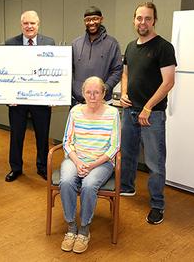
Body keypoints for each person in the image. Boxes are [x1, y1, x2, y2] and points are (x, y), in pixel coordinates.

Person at [120, 2, 176, 225]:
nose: (142, 22)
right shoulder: (130, 46)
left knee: (154, 162)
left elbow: (168, 82)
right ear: (134, 20)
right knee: (128, 154)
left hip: (152, 115)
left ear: (154, 21)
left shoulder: (164, 47)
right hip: (130, 111)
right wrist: (124, 93)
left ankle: (157, 205)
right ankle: (126, 187)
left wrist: (148, 107)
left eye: (147, 18)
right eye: (139, 18)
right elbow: (126, 74)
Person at [60, 76, 120, 254]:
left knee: (88, 184)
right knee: (66, 181)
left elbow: (114, 146)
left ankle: (84, 230)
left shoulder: (112, 113)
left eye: (96, 92)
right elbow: (67, 141)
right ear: (83, 94)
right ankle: (71, 227)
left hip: (101, 162)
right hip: (76, 159)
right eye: (89, 92)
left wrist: (92, 164)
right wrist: (78, 162)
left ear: (103, 93)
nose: (92, 96)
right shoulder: (76, 111)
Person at [4, 10, 55, 182]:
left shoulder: (49, 43)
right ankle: (16, 168)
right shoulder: (10, 44)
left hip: (41, 99)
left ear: (38, 24)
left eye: (32, 23)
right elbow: (5, 71)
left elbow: (53, 72)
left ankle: (42, 167)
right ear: (21, 25)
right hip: (17, 101)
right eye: (26, 23)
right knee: (16, 135)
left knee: (42, 135)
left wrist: (54, 95)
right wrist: (8, 96)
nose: (29, 26)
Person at [72, 6, 122, 107]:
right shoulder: (76, 44)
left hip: (103, 102)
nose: (91, 23)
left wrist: (105, 89)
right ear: (84, 21)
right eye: (88, 20)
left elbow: (117, 70)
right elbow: (68, 71)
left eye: (95, 18)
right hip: (78, 103)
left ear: (101, 19)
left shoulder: (112, 43)